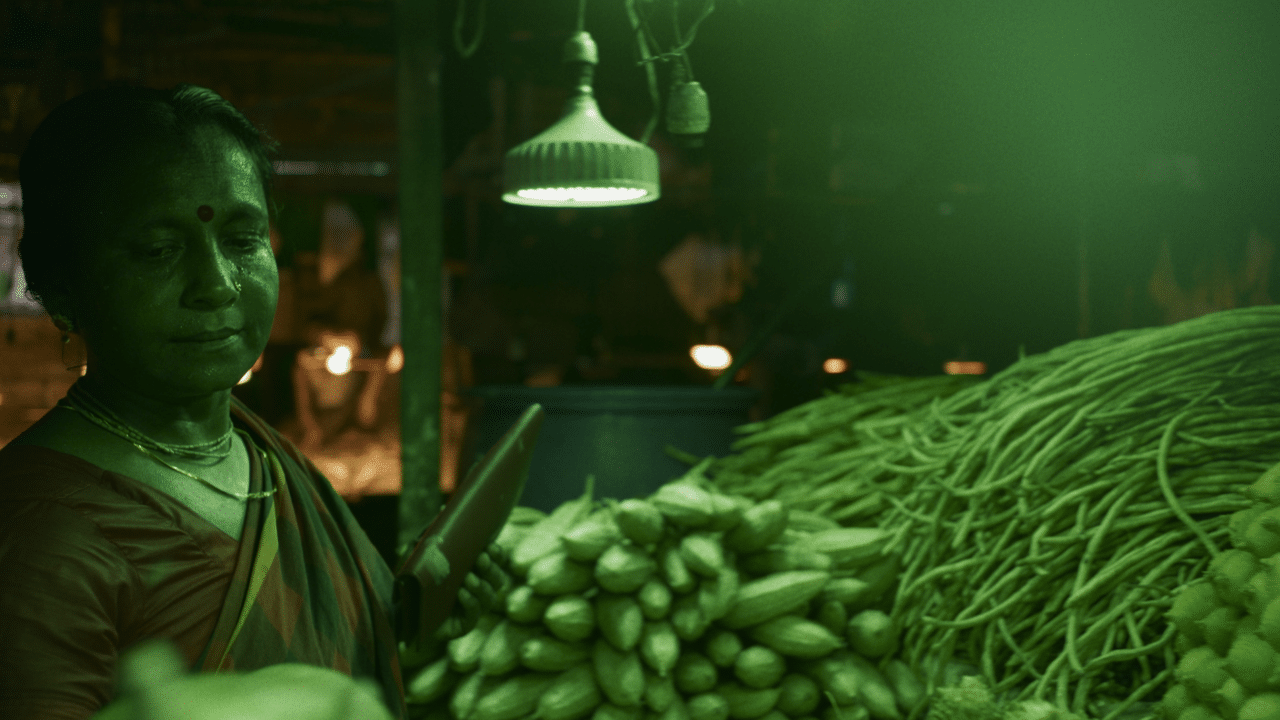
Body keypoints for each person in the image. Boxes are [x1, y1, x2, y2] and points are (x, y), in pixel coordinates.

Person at [0, 83, 506, 720]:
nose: (216, 284)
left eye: (242, 239)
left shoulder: (265, 457)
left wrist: (411, 622)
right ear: (59, 283)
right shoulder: (41, 537)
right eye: (159, 250)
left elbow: (331, 673)